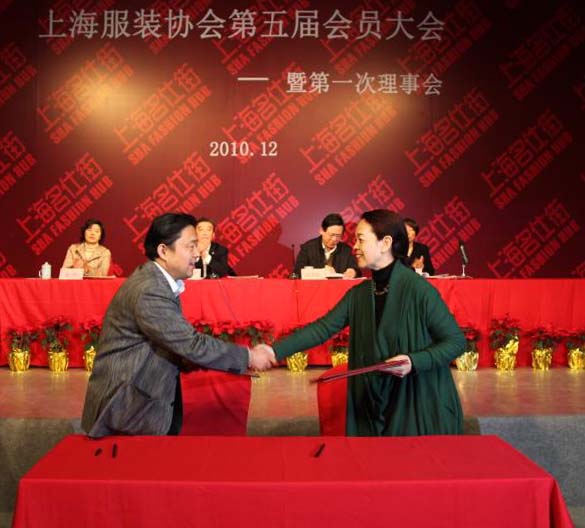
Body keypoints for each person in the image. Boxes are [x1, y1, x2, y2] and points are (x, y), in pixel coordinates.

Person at [81, 213, 276, 437]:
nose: (197, 253)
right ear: (164, 251)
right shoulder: (150, 289)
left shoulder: (158, 281)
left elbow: (175, 345)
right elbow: (189, 344)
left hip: (142, 401)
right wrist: (249, 357)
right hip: (125, 410)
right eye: (190, 246)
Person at [274, 209, 465, 436]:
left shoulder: (419, 290)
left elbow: (456, 341)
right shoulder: (360, 293)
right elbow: (323, 328)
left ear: (385, 243)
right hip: (373, 405)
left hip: (416, 404)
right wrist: (273, 351)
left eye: (361, 239)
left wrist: (414, 361)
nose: (354, 246)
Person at [294, 213, 360, 278]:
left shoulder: (346, 250)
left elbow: (356, 270)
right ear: (321, 231)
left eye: (338, 236)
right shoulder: (308, 248)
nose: (334, 239)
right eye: (331, 235)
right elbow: (297, 272)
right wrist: (322, 272)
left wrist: (353, 272)